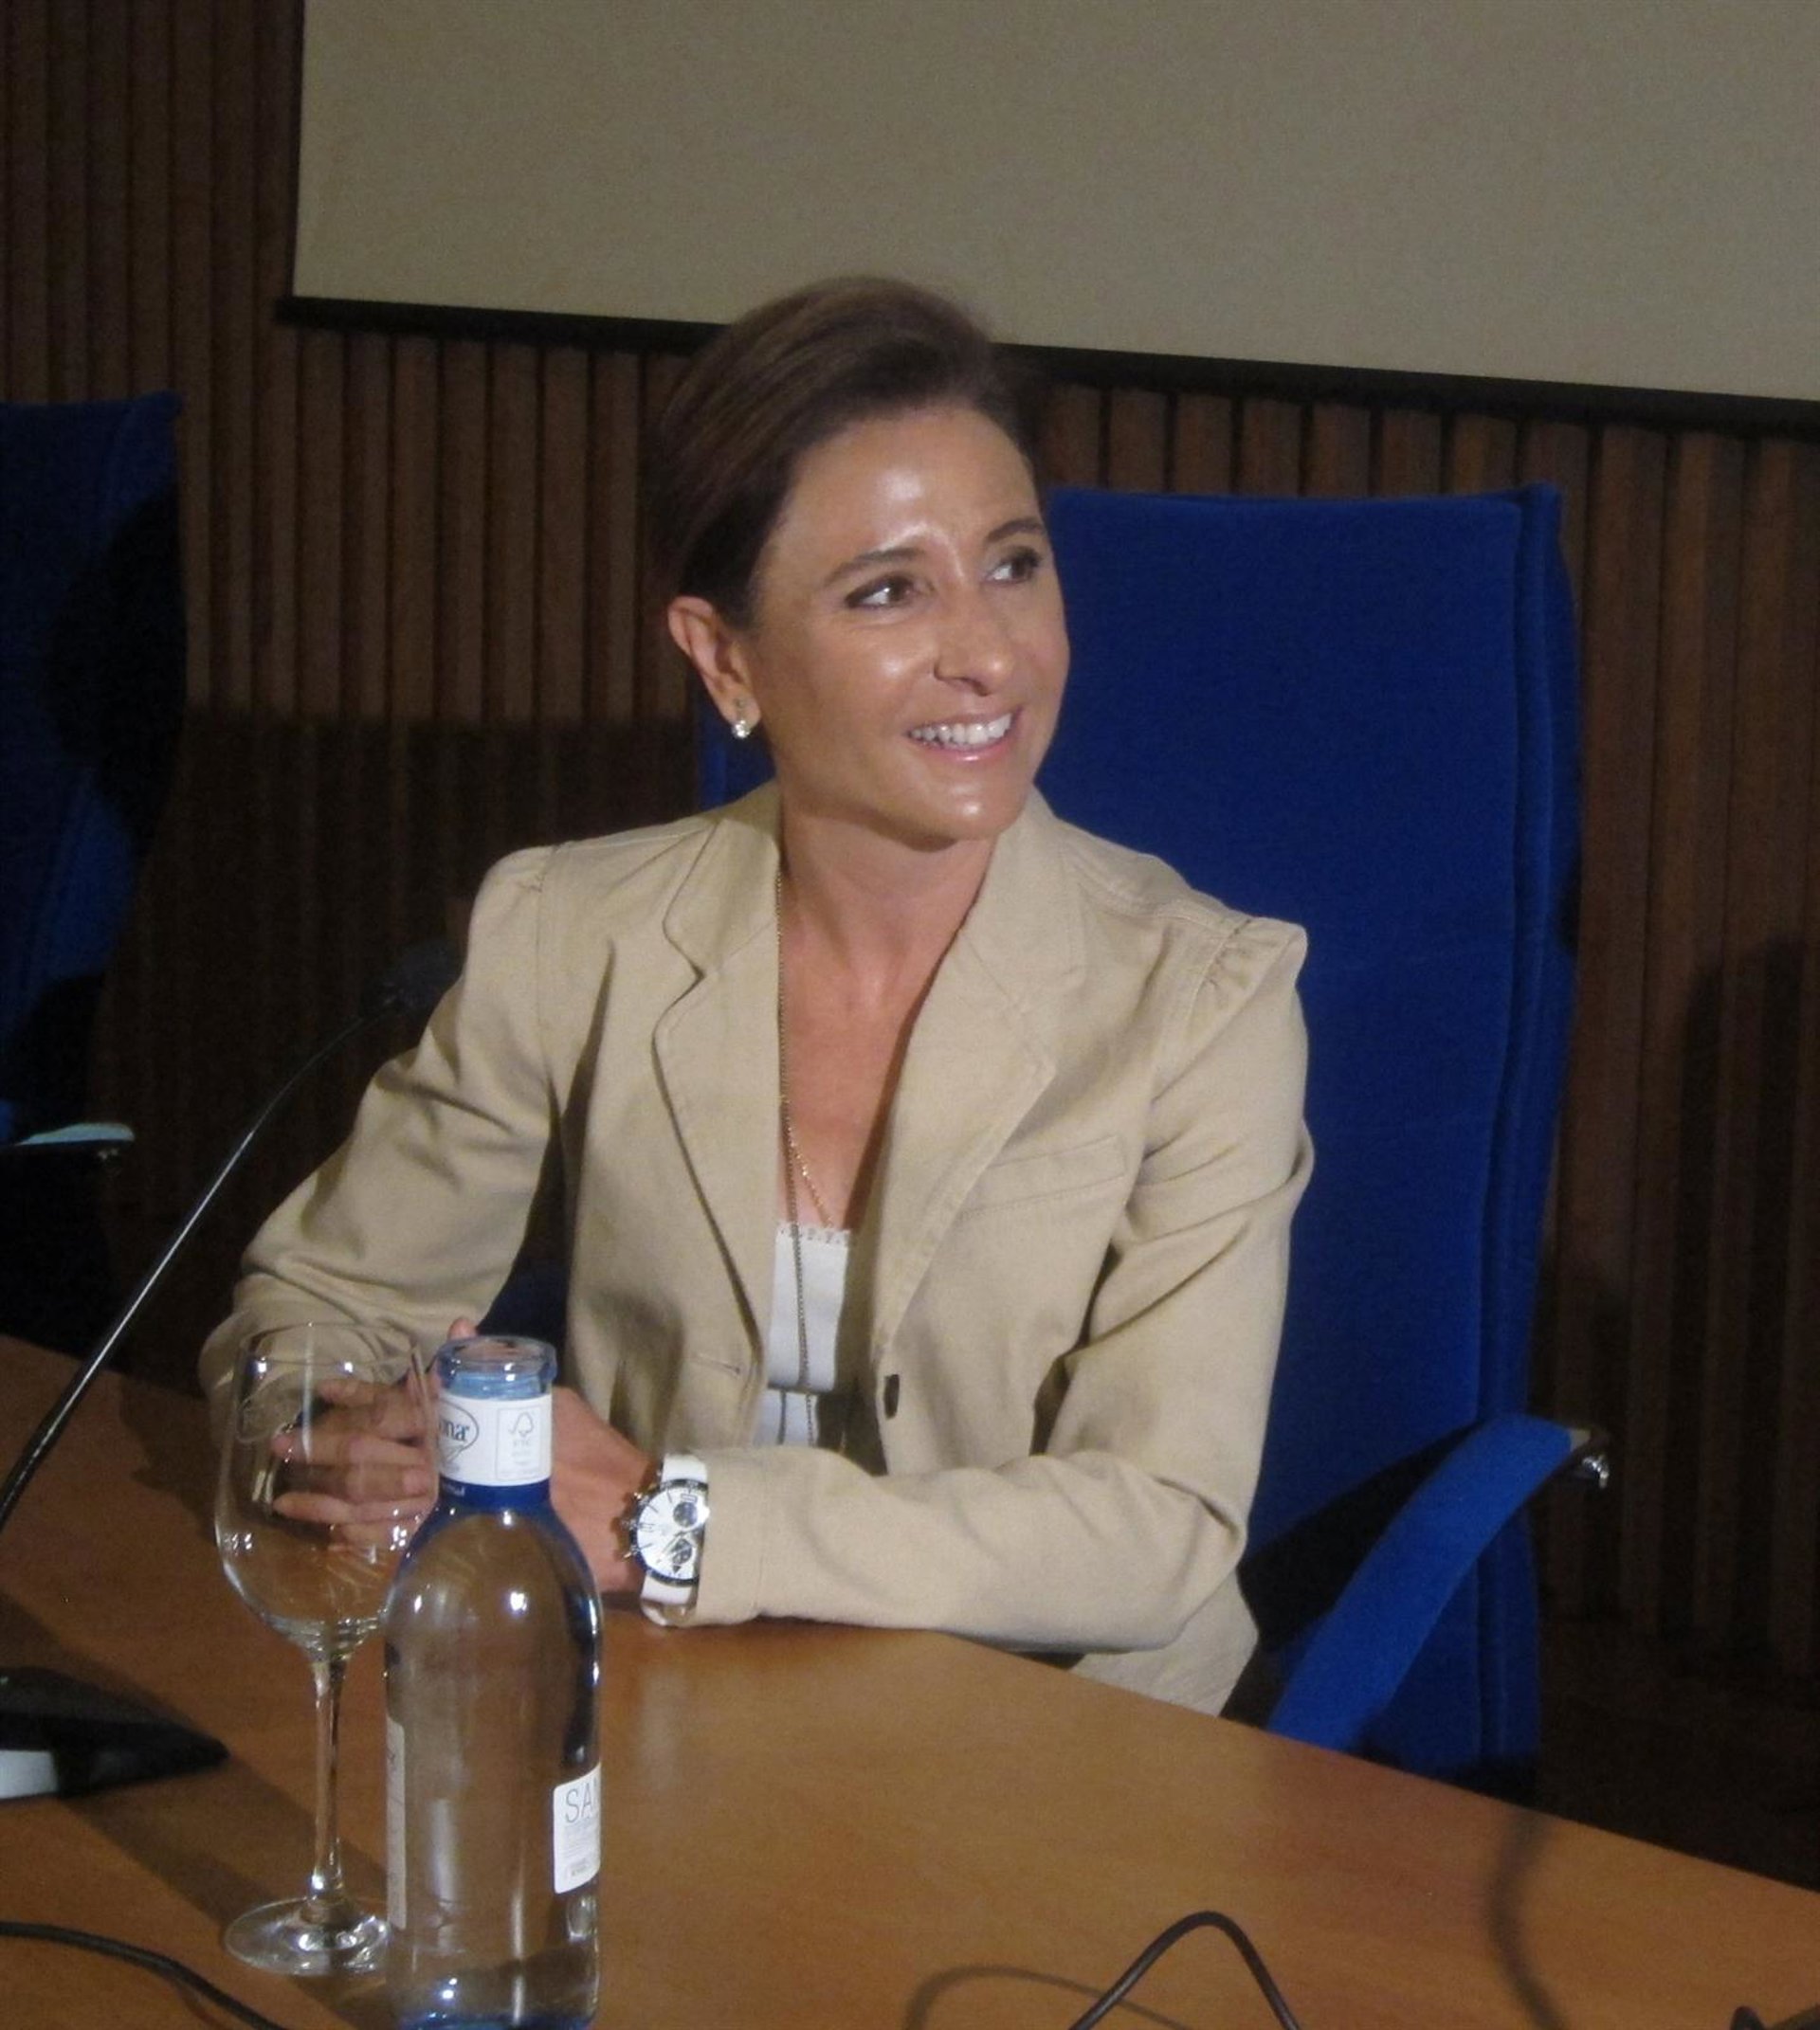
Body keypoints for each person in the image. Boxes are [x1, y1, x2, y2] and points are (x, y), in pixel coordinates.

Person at [201, 278, 1311, 1715]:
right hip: (671, 1711)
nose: (991, 652)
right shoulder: (572, 931)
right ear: (726, 657)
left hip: (1058, 1737)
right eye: (889, 591)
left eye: (1014, 564)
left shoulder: (1203, 993)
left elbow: (1155, 1530)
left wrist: (669, 1523)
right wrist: (334, 1428)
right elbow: (318, 1303)